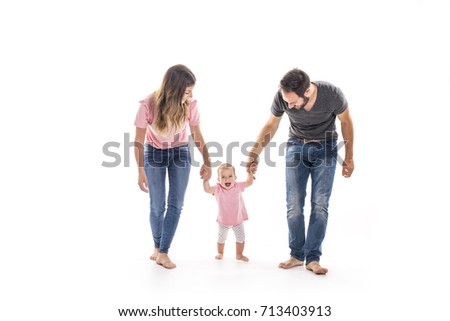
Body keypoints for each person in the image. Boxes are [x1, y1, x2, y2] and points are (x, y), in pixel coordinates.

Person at [246, 68, 354, 275]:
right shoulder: (282, 96)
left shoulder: (332, 94)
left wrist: (349, 157)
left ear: (307, 92)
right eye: (286, 101)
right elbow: (272, 124)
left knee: (320, 203)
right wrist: (254, 154)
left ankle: (313, 258)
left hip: (326, 147)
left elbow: (346, 121)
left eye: (293, 102)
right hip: (295, 146)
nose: (289, 106)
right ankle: (296, 255)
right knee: (294, 203)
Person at [134, 64, 211, 269]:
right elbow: (139, 141)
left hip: (180, 152)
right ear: (174, 89)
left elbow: (196, 134)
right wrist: (140, 170)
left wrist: (207, 161)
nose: (191, 94)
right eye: (187, 91)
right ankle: (157, 247)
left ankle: (163, 252)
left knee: (176, 204)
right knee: (157, 206)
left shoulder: (190, 105)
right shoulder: (148, 104)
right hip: (154, 152)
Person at [203, 163, 254, 262]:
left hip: (237, 221)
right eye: (223, 177)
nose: (227, 179)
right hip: (223, 222)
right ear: (218, 179)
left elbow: (249, 182)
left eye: (230, 176)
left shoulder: (238, 186)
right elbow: (207, 189)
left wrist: (250, 173)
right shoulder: (218, 189)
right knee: (221, 238)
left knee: (241, 238)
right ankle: (220, 252)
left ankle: (239, 254)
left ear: (235, 177)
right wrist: (205, 181)